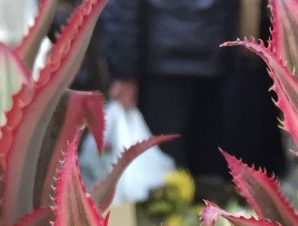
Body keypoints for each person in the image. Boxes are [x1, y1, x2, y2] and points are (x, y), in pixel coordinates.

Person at [101, 0, 239, 195]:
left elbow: (122, 7)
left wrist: (123, 71)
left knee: (163, 176)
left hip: (160, 62)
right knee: (205, 173)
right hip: (211, 53)